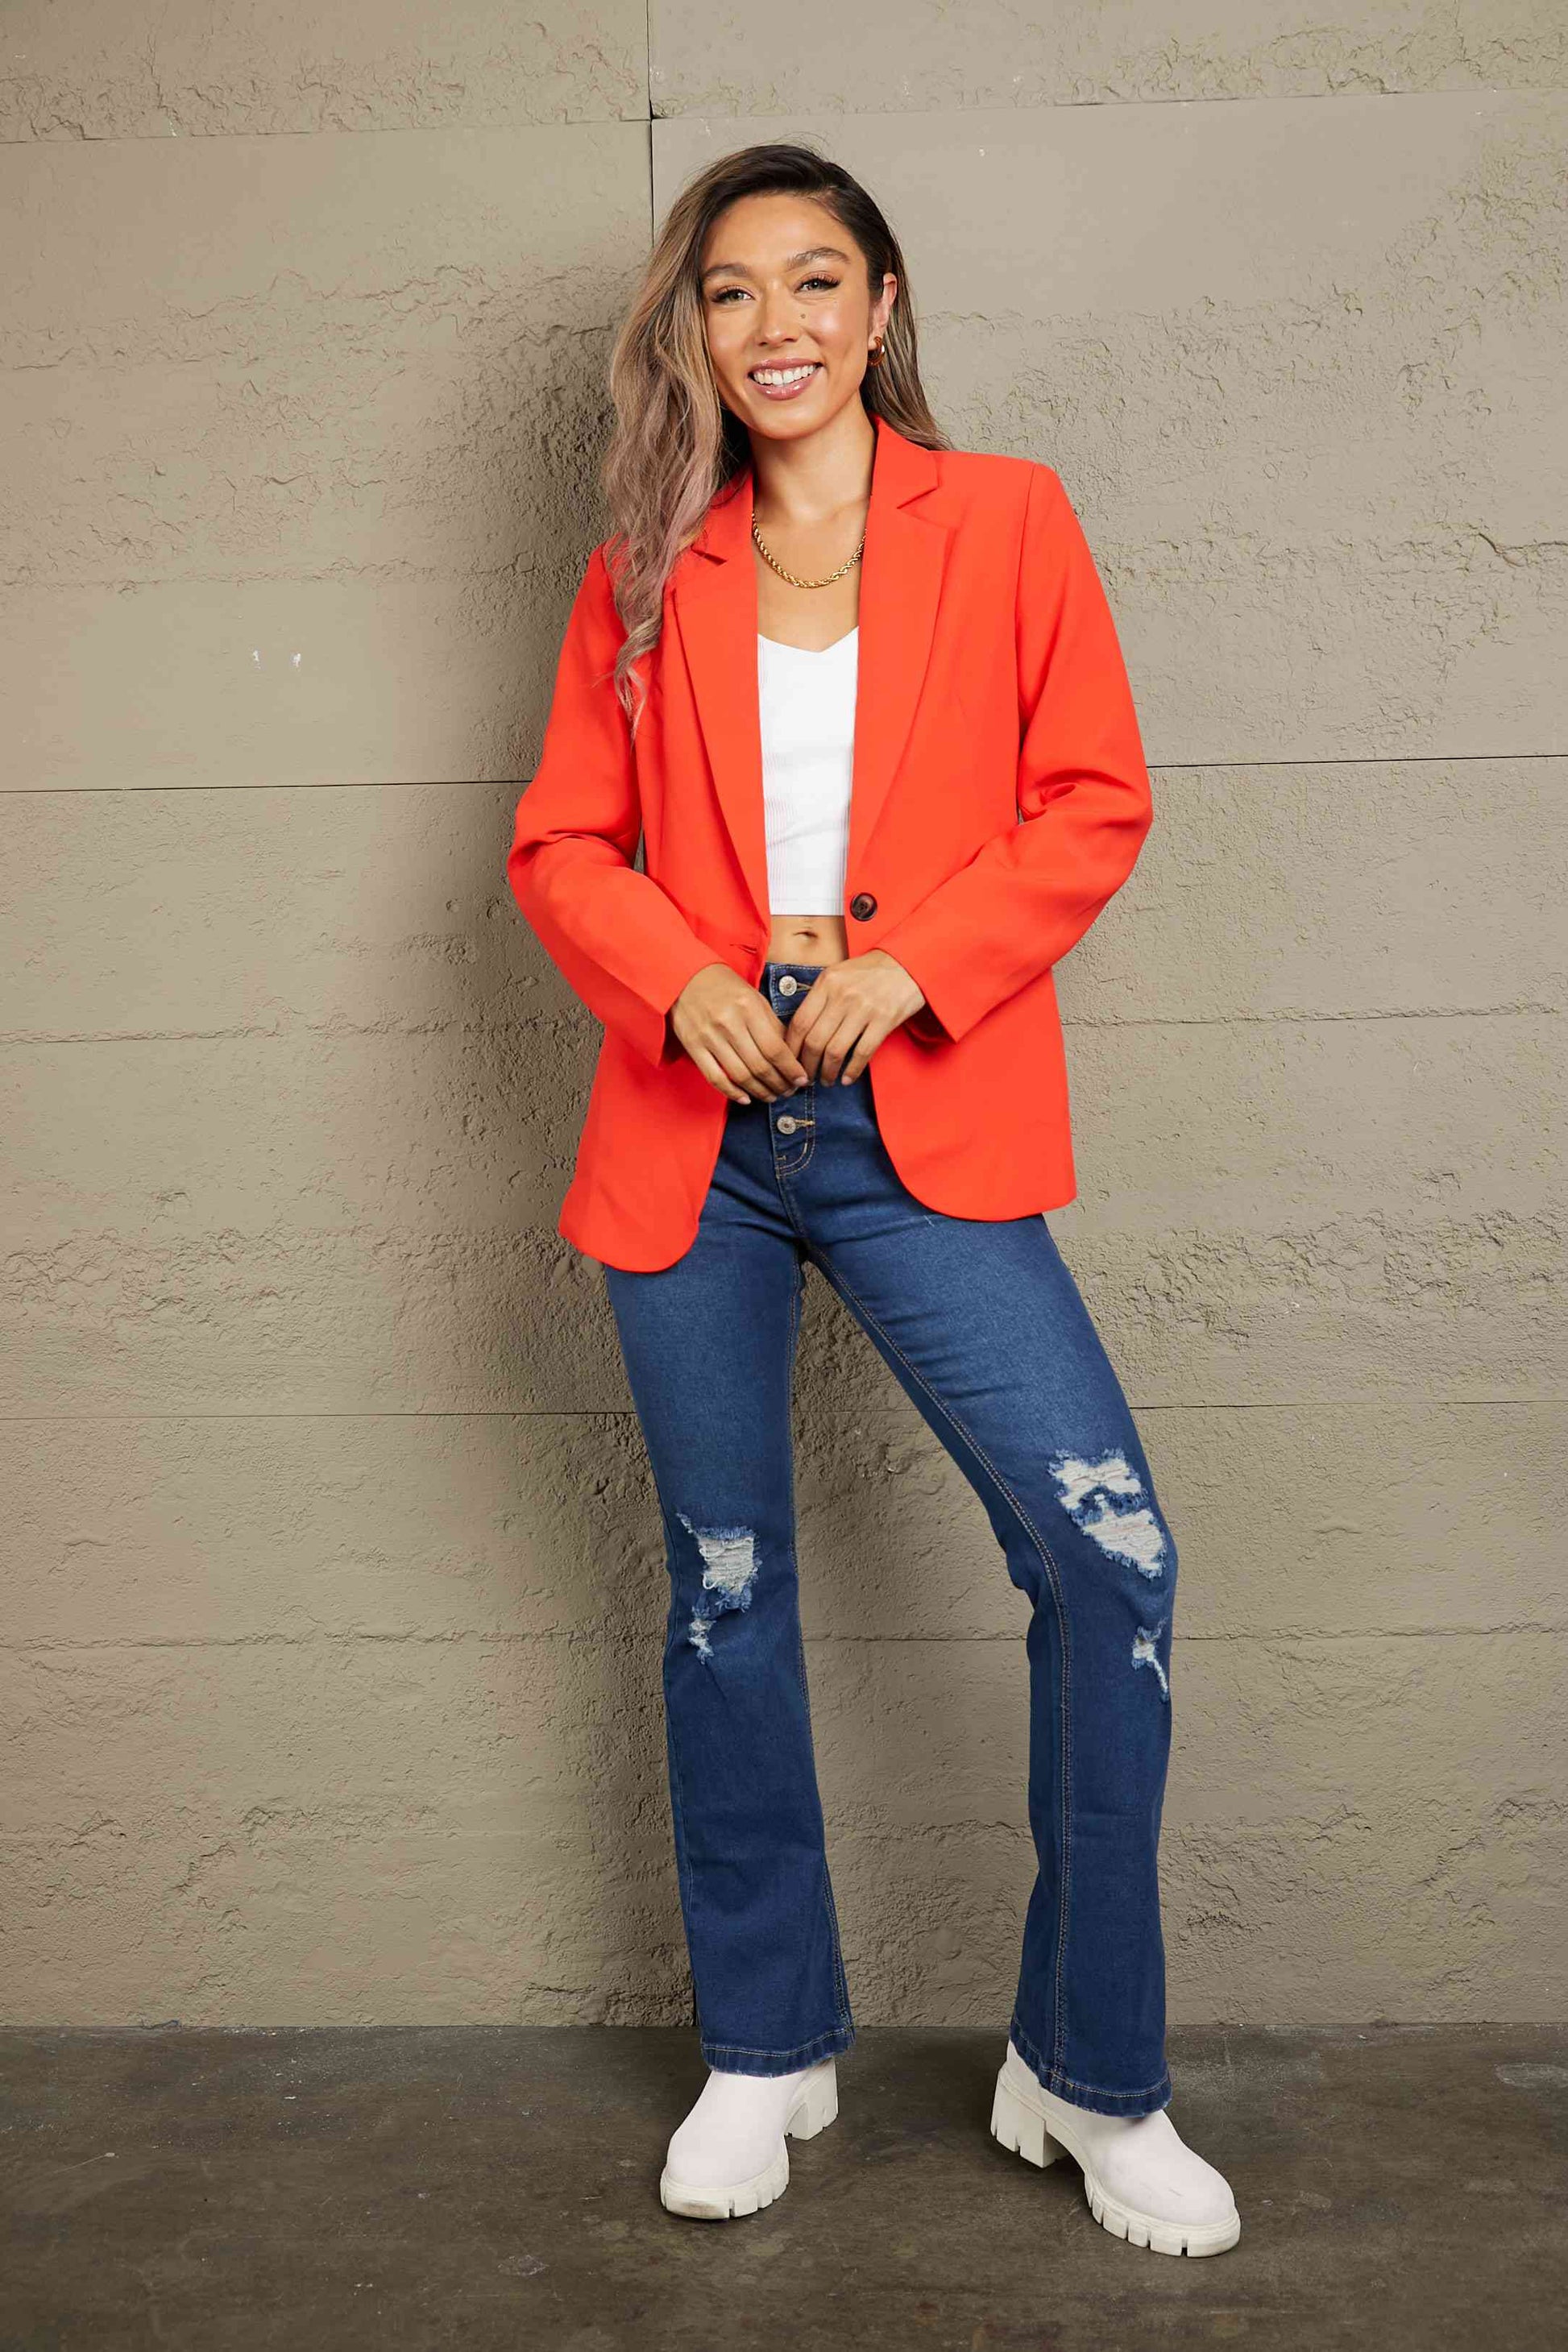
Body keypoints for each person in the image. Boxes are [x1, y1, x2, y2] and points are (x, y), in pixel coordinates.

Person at [505, 140, 1241, 2259]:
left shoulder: (1002, 519)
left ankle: (1087, 2071)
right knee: (726, 1587)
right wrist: (679, 984)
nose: (778, 326)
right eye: (731, 291)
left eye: (816, 281)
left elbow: (1092, 796)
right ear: (694, 330)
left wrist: (913, 967)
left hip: (923, 1112)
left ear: (882, 303)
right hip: (701, 1131)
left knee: (1108, 1559)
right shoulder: (645, 569)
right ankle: (767, 2047)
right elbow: (563, 844)